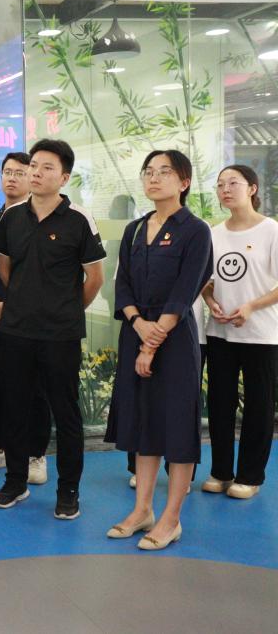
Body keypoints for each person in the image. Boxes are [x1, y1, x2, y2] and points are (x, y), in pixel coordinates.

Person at [0, 138, 105, 520]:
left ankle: (68, 491)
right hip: (16, 331)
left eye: (47, 167)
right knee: (15, 409)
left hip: (60, 334)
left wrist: (67, 309)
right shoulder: (12, 217)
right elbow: (5, 269)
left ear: (64, 177)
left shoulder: (79, 219)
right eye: (33, 166)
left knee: (65, 413)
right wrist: (22, 304)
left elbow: (94, 278)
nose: (36, 173)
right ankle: (15, 481)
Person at [104, 150, 212, 549]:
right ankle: (142, 510)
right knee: (142, 423)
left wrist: (153, 340)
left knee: (177, 427)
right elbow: (123, 285)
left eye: (164, 172)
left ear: (184, 181)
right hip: (136, 331)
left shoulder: (196, 230)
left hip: (175, 338)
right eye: (148, 172)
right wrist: (137, 324)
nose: (154, 178)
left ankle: (171, 519)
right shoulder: (135, 229)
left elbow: (186, 289)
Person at [0, 152, 52, 484]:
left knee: (35, 389)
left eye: (19, 172)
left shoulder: (41, 219)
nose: (12, 178)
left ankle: (35, 455)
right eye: (7, 172)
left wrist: (13, 307)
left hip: (30, 321)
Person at [202, 165, 278, 500]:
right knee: (219, 403)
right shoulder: (214, 233)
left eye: (233, 183)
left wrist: (250, 307)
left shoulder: (271, 230)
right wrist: (210, 301)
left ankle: (250, 476)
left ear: (252, 188)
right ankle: (221, 471)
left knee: (259, 406)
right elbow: (206, 281)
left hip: (261, 333)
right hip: (220, 332)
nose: (225, 189)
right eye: (220, 185)